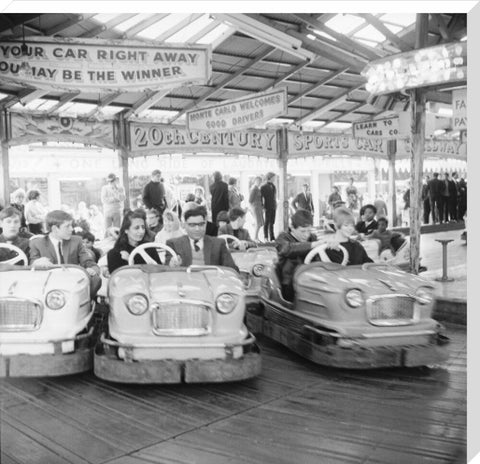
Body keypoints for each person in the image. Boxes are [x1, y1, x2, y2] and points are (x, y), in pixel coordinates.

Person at [29, 210, 101, 299]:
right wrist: (37, 263)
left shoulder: (76, 241)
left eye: (71, 225)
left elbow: (88, 262)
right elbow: (32, 267)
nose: (72, 229)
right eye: (67, 226)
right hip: (49, 287)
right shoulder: (37, 244)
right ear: (55, 229)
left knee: (96, 279)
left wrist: (93, 269)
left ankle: (83, 303)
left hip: (73, 285)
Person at [166, 205, 238, 271]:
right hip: (185, 283)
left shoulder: (218, 244)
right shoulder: (174, 244)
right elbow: (165, 271)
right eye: (192, 225)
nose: (197, 229)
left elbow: (232, 270)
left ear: (205, 224)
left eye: (201, 224)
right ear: (185, 226)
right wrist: (171, 265)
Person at [275, 209, 325, 302]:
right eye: (303, 231)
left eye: (309, 231)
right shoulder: (283, 238)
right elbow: (287, 249)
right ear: (292, 227)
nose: (306, 235)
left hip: (311, 278)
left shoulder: (312, 237)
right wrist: (312, 245)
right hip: (290, 281)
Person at [107, 209, 161, 274]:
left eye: (143, 227)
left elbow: (160, 270)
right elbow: (117, 280)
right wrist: (130, 263)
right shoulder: (115, 254)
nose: (141, 231)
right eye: (136, 228)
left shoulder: (149, 247)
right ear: (126, 230)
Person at [261, 172, 277, 241]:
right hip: (267, 206)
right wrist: (262, 207)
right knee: (266, 222)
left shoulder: (273, 186)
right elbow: (261, 198)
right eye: (274, 177)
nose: (275, 179)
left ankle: (272, 237)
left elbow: (274, 197)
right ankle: (265, 237)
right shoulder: (263, 186)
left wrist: (275, 204)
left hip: (273, 206)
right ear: (270, 177)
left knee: (272, 222)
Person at [249, 176, 264, 241]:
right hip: (255, 207)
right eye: (258, 181)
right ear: (255, 181)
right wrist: (252, 208)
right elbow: (250, 200)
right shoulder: (254, 188)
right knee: (258, 223)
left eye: (260, 181)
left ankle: (256, 237)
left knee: (260, 223)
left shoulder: (257, 188)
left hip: (259, 207)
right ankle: (255, 237)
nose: (259, 182)